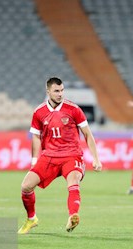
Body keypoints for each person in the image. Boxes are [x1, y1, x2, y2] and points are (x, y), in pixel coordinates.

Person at [18, 77, 102, 234]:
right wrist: (34, 161)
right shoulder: (39, 112)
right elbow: (36, 137)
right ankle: (31, 218)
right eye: (56, 91)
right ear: (48, 91)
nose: (60, 94)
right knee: (26, 186)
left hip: (71, 155)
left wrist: (96, 159)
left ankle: (73, 216)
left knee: (73, 181)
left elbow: (87, 134)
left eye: (62, 90)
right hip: (49, 156)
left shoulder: (73, 109)